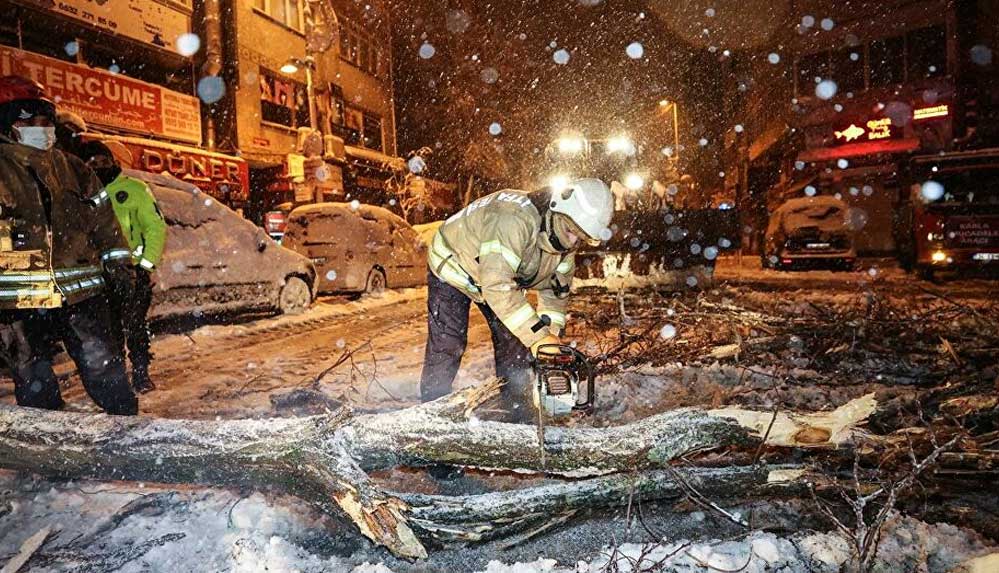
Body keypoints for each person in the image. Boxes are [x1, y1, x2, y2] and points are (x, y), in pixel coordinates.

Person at [419, 178, 614, 421]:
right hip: (454, 264)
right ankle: (430, 416)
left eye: (581, 238)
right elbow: (497, 286)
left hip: (495, 278)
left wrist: (549, 343)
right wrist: (539, 338)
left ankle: (516, 412)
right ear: (556, 209)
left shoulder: (565, 246)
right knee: (448, 343)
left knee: (514, 343)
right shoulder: (513, 220)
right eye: (570, 232)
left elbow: (555, 296)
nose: (573, 242)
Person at [0, 75, 137, 415]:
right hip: (16, 301)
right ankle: (51, 457)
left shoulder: (74, 169)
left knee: (105, 371)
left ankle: (131, 441)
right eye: (28, 120)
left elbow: (105, 224)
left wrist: (120, 267)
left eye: (45, 120)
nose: (40, 128)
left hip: (80, 295)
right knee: (34, 384)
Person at [78, 140, 167, 393]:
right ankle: (117, 380)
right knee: (109, 331)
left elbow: (155, 228)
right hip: (99, 276)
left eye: (102, 162)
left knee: (134, 327)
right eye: (91, 164)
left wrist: (145, 267)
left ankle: (141, 374)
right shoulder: (84, 195)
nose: (97, 167)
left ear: (113, 162)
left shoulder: (134, 189)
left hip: (131, 274)